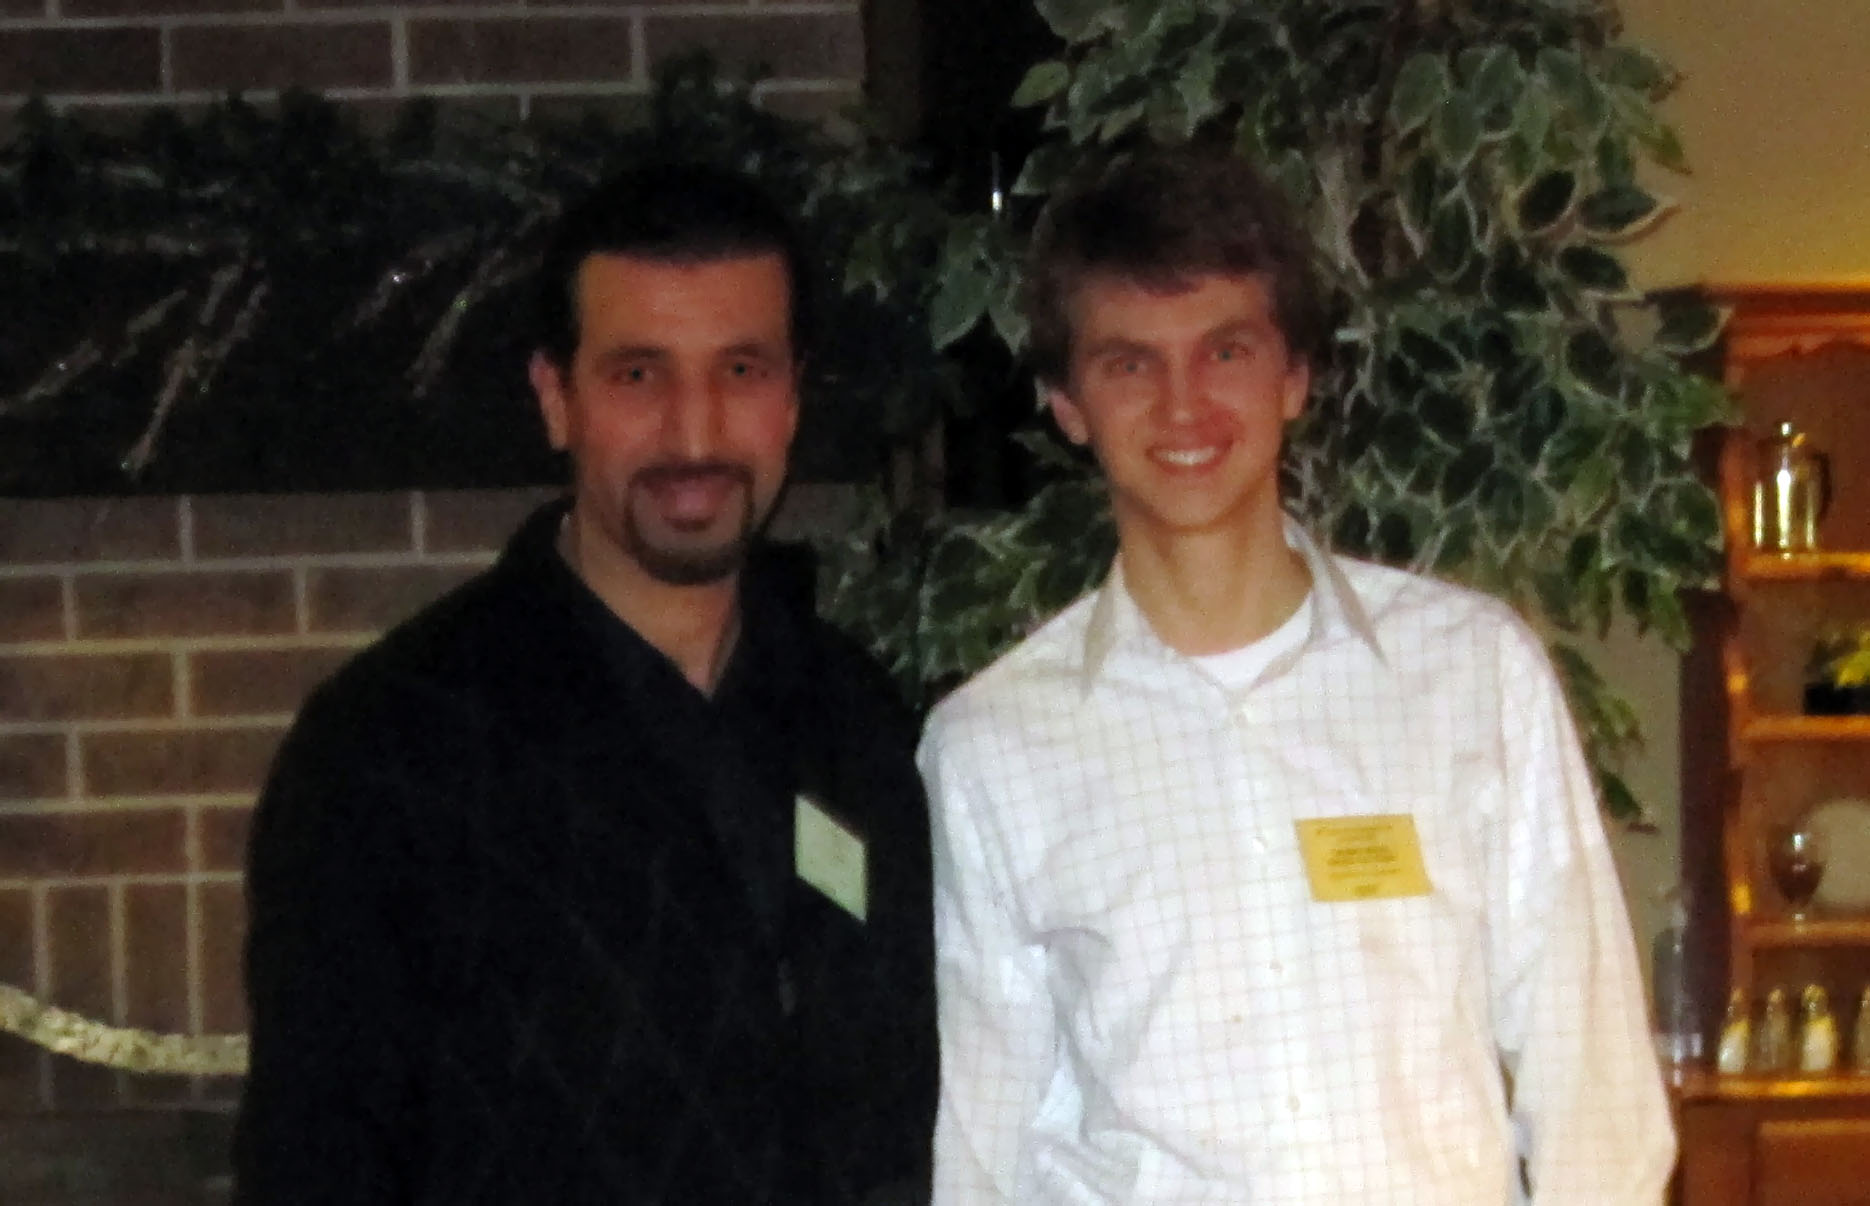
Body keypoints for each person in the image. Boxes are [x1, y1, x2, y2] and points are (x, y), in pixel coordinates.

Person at [917, 147, 1674, 1205]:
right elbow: (986, 1144)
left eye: (1225, 350)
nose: (1184, 405)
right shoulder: (993, 747)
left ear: (1295, 377)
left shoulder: (1472, 674)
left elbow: (1590, 1074)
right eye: (1130, 364)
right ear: (1065, 402)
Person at [234, 164, 936, 1205]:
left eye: (740, 369)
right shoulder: (390, 750)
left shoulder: (857, 727)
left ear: (791, 398)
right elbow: (314, 1162)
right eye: (639, 375)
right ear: (556, 399)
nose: (694, 433)